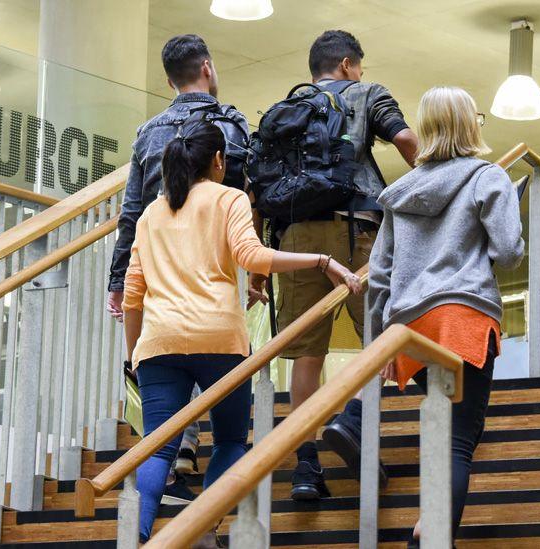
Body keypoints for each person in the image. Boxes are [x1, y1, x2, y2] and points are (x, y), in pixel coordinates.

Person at [123, 119, 361, 546]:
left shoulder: (150, 215)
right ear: (218, 160)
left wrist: (135, 357)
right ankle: (202, 528)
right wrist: (322, 261)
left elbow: (132, 298)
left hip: (159, 342)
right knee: (230, 440)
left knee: (157, 447)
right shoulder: (229, 198)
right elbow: (252, 255)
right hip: (219, 339)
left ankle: (135, 538)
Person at [333, 87, 522, 546]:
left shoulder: (399, 192)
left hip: (410, 329)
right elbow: (511, 252)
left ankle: (428, 527)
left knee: (443, 433)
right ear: (468, 124)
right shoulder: (487, 178)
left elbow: (379, 275)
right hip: (463, 319)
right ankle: (429, 537)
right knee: (458, 441)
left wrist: (378, 345)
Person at [249, 29, 419, 501]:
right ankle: (353, 420)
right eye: (358, 66)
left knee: (307, 356)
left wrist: (259, 268)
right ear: (347, 64)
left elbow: (259, 189)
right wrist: (441, 175)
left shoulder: (284, 111)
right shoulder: (368, 94)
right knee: (382, 341)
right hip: (357, 235)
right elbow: (404, 139)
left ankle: (305, 465)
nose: (359, 73)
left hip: (296, 240)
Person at [109, 33, 249, 500]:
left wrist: (117, 281)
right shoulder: (228, 124)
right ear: (207, 68)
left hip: (155, 268)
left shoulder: (148, 132)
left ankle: (174, 460)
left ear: (169, 80)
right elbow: (251, 191)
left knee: (164, 380)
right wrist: (261, 271)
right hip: (213, 267)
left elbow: (131, 210)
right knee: (222, 390)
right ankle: (191, 472)